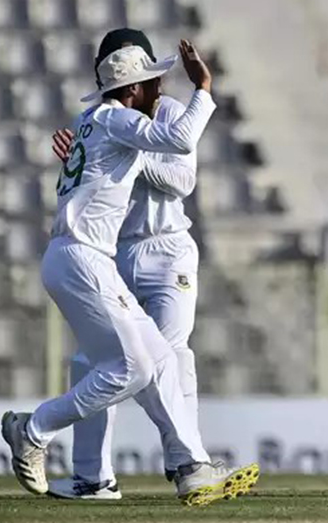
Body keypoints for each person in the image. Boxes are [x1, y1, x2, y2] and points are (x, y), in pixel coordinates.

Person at [0, 40, 259, 506]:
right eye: (153, 81)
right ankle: (34, 428)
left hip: (88, 255)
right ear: (133, 88)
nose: (161, 86)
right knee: (132, 367)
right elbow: (180, 140)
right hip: (87, 255)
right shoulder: (119, 119)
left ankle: (191, 467)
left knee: (160, 358)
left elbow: (164, 172)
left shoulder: (90, 122)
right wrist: (204, 87)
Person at [46, 28, 208, 501]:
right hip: (115, 252)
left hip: (168, 249)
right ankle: (92, 477)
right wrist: (89, 153)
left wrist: (128, 155)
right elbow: (89, 183)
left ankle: (187, 467)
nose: (157, 85)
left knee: (172, 353)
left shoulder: (171, 113)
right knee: (93, 361)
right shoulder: (101, 121)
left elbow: (182, 181)